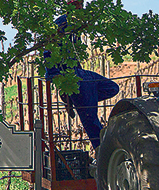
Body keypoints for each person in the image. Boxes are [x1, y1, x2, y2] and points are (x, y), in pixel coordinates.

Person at [44, 12, 119, 149]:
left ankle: (74, 99)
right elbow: (48, 49)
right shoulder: (61, 24)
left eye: (80, 4)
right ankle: (101, 151)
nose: (79, 7)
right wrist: (55, 75)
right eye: (75, 4)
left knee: (113, 88)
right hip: (71, 76)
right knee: (91, 120)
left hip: (79, 72)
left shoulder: (77, 23)